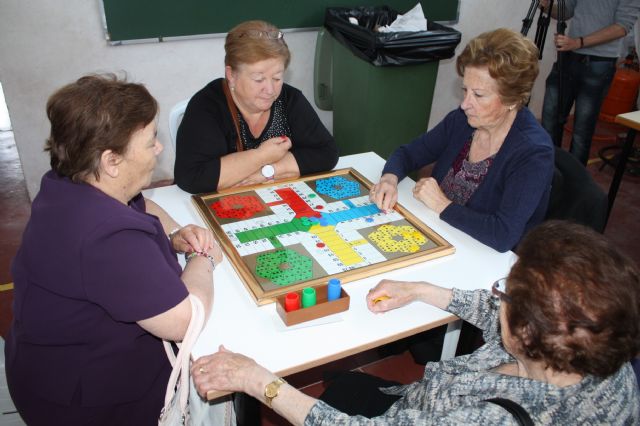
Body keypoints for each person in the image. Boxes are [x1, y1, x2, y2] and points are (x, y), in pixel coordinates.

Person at [190, 220, 640, 424]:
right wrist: (423, 290)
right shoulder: (593, 347)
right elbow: (495, 313)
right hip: (416, 400)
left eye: (505, 292)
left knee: (332, 393)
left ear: (526, 333)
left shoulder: (489, 421)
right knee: (348, 385)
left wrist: (260, 381)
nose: (495, 296)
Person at [5, 74, 223, 425]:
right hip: (86, 405)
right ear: (111, 161)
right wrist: (205, 257)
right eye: (151, 140)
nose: (159, 148)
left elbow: (139, 204)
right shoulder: (105, 237)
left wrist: (176, 231)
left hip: (44, 367)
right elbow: (185, 320)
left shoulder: (72, 180)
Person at [370, 28, 554, 253]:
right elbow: (407, 154)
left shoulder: (533, 152)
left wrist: (441, 204)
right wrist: (389, 179)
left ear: (512, 99)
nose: (465, 104)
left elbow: (503, 235)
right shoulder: (462, 120)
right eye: (465, 90)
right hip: (438, 234)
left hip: (484, 259)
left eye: (478, 95)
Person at [174, 20, 339, 194]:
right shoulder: (207, 107)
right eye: (258, 79)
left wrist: (266, 172)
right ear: (231, 75)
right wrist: (262, 156)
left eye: (277, 78)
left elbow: (327, 153)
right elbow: (191, 177)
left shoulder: (290, 100)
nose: (270, 90)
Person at [540, 0, 640, 165]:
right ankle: (546, 173)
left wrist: (578, 42)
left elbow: (622, 27)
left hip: (599, 63)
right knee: (549, 121)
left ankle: (572, 184)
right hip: (569, 57)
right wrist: (544, 5)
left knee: (581, 132)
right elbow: (566, 12)